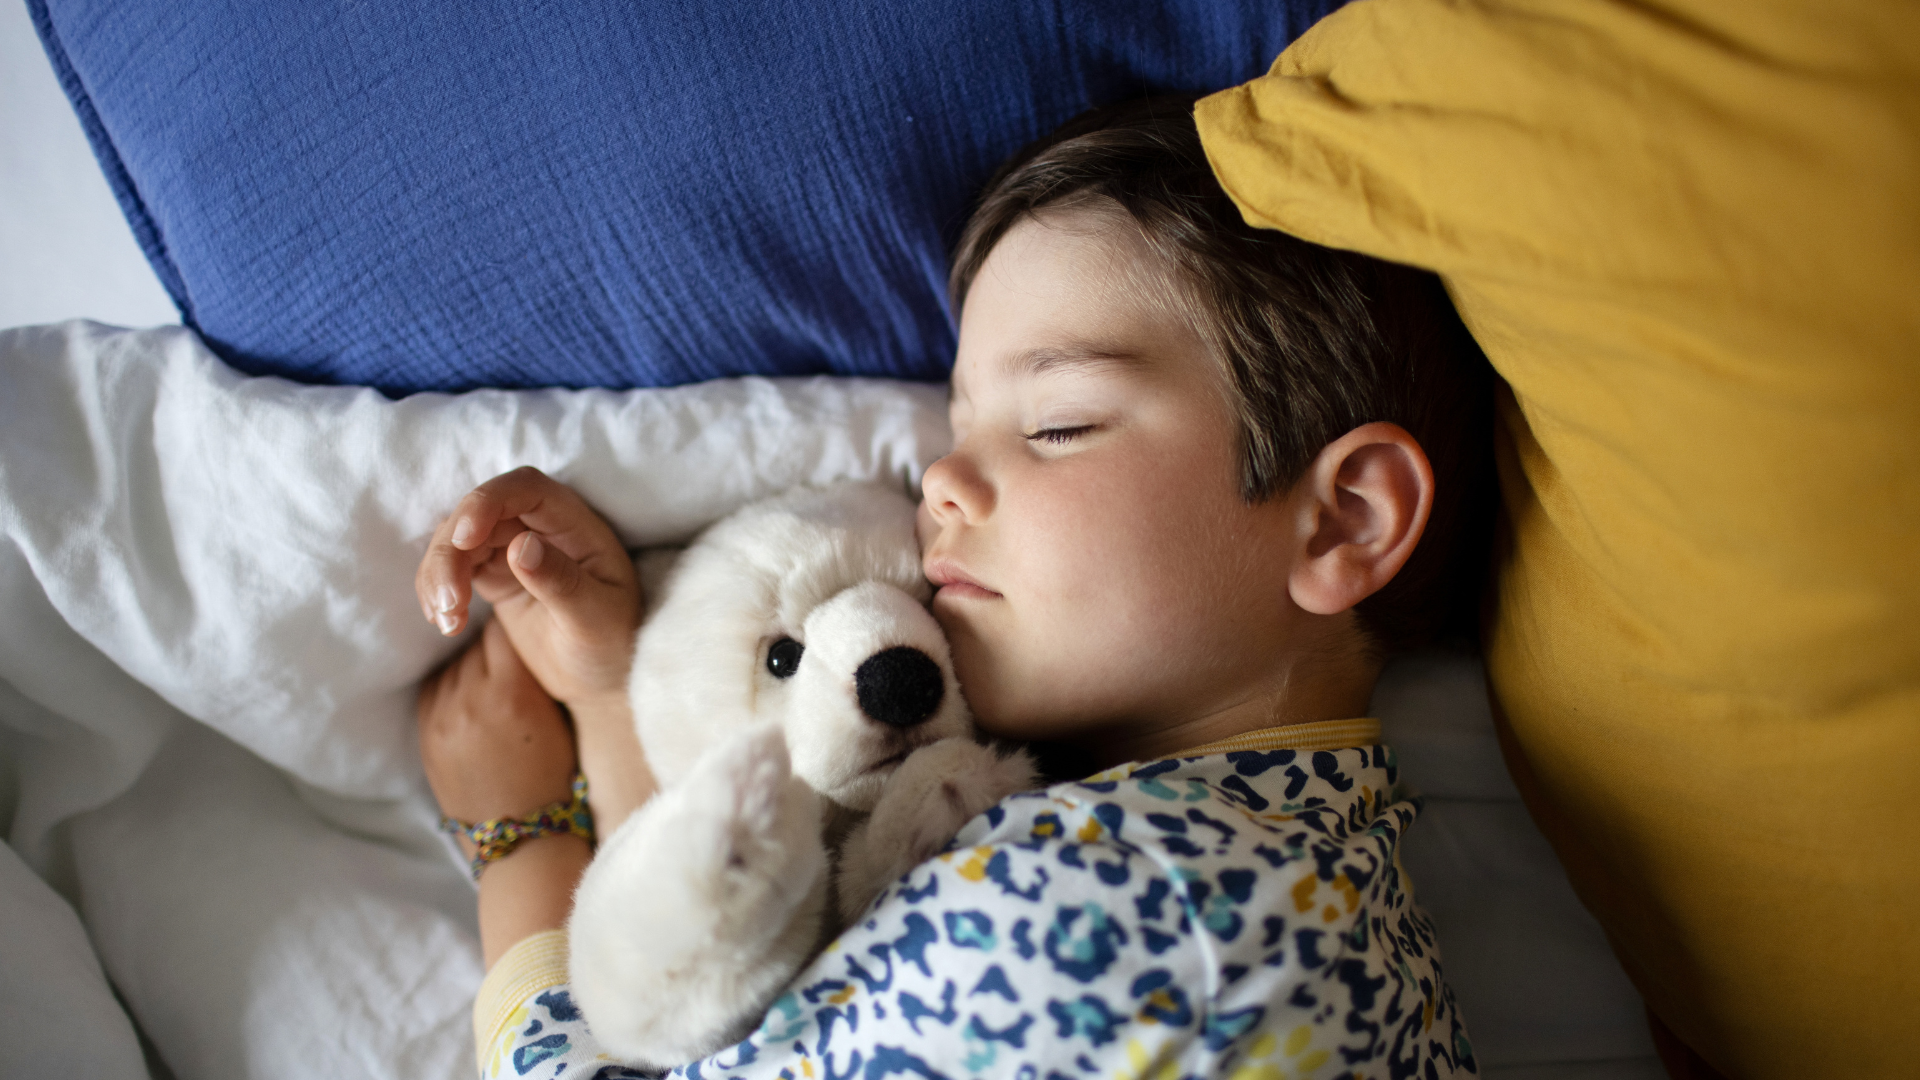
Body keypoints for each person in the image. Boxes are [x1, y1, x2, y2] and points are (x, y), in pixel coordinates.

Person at [414, 95, 1494, 1079]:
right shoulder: (1292, 886)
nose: (938, 481)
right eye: (957, 424)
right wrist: (617, 691)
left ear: (1345, 517)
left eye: (1057, 424)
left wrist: (516, 833)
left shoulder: (1097, 910)